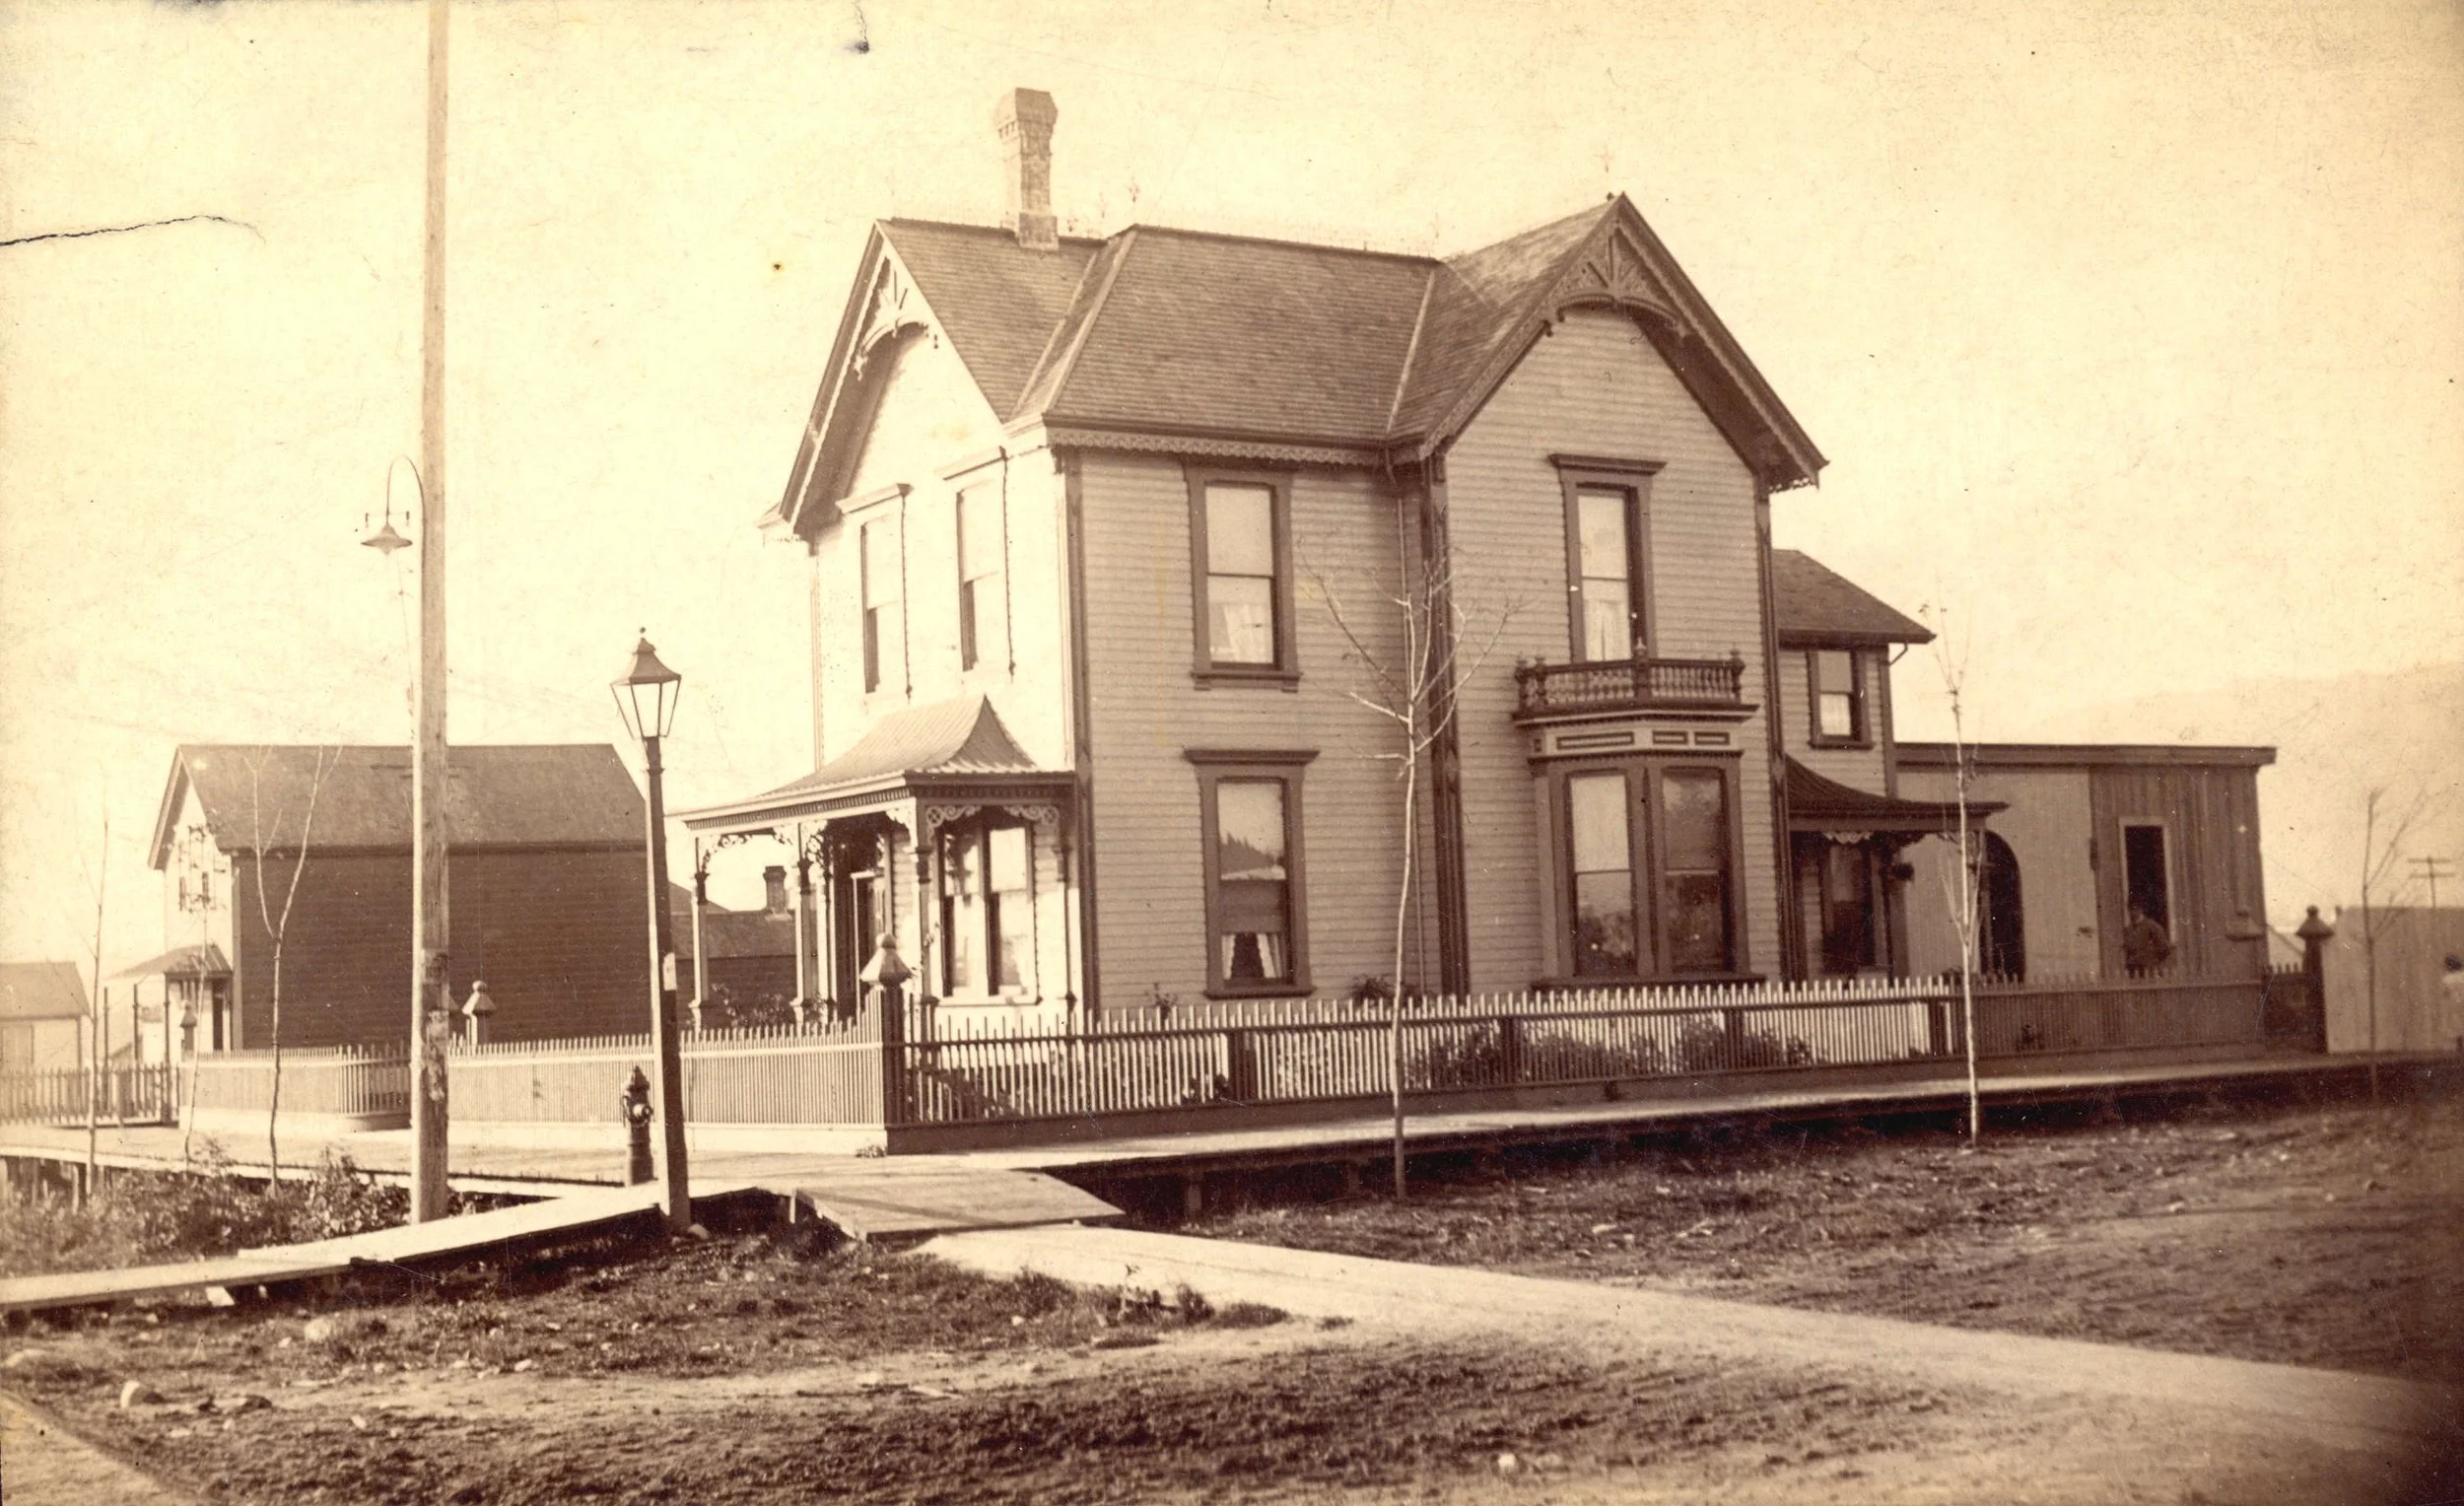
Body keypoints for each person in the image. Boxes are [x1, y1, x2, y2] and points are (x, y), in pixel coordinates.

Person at [2122, 906, 2174, 975]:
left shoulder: (2151, 926)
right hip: (2133, 967)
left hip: (2149, 967)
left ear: (2141, 911)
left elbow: (2163, 945)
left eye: (2136, 909)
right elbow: (2127, 947)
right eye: (2131, 910)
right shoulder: (2128, 929)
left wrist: (2158, 961)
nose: (2133, 912)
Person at [2441, 954, 2464, 1053]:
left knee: (2456, 1023)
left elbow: (2445, 993)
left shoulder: (2447, 979)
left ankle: (2460, 1046)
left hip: (2454, 1003)